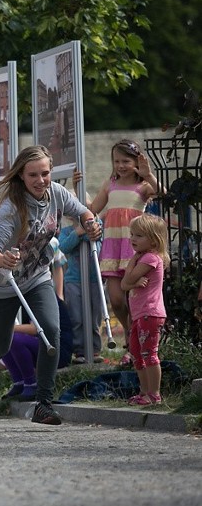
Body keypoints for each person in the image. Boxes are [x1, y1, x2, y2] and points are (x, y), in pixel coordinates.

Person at [0, 145, 101, 426]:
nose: (41, 180)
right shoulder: (11, 208)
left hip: (38, 276)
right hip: (5, 283)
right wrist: (2, 258)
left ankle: (43, 403)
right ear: (21, 177)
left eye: (45, 173)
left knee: (51, 331)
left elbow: (82, 212)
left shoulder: (56, 193)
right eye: (33, 175)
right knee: (0, 343)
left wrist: (91, 223)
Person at [88, 139, 159, 359]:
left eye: (126, 161)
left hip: (133, 248)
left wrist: (148, 175)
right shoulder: (110, 185)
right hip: (112, 248)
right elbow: (91, 210)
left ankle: (136, 345)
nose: (120, 165)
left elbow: (165, 194)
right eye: (116, 161)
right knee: (117, 299)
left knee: (134, 298)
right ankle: (130, 333)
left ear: (136, 161)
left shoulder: (143, 186)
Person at [120, 214, 168, 405]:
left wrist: (131, 269)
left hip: (151, 313)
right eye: (132, 234)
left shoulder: (150, 258)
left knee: (149, 353)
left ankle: (154, 393)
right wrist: (131, 278)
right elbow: (125, 285)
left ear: (154, 240)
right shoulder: (140, 257)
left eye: (139, 235)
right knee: (136, 353)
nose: (133, 239)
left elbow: (127, 281)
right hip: (141, 314)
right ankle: (144, 392)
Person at [59, 216, 105, 364]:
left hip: (94, 278)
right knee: (76, 316)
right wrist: (78, 233)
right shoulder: (67, 231)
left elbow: (99, 247)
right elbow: (63, 247)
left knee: (95, 315)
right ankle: (79, 350)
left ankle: (95, 348)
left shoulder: (98, 227)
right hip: (74, 279)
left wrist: (88, 233)